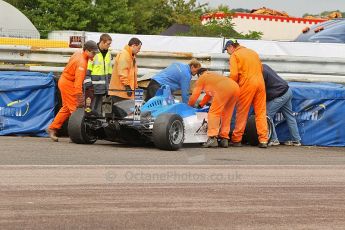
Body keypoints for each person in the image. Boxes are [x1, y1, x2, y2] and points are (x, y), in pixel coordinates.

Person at [46, 40, 99, 142]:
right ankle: (76, 134)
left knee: (66, 108)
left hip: (64, 81)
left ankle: (52, 128)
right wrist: (79, 99)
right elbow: (78, 84)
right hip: (68, 84)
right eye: (93, 53)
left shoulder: (78, 53)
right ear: (87, 51)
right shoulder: (82, 63)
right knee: (76, 111)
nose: (94, 55)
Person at [224, 38, 268, 148]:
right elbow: (261, 69)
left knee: (242, 112)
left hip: (247, 84)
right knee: (261, 112)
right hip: (260, 83)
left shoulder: (235, 55)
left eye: (226, 50)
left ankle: (237, 139)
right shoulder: (253, 52)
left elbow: (234, 75)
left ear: (231, 47)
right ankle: (263, 140)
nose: (227, 52)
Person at [188, 68, 240, 148]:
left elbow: (195, 94)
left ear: (199, 75)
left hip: (224, 88)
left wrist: (189, 105)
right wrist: (201, 105)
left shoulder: (202, 77)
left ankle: (212, 138)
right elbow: (208, 95)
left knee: (213, 113)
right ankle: (224, 138)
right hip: (235, 87)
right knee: (226, 115)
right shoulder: (214, 76)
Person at [262, 64, 302, 146]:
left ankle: (273, 139)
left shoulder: (260, 72)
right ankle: (296, 140)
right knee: (289, 116)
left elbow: (260, 88)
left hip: (280, 94)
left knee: (267, 115)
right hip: (287, 90)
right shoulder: (264, 66)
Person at [83, 34, 112, 116]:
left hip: (106, 87)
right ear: (102, 42)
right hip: (94, 87)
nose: (109, 46)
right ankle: (92, 123)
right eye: (108, 44)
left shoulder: (109, 54)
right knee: (92, 108)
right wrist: (88, 85)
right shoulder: (93, 53)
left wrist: (109, 83)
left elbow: (109, 70)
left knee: (106, 109)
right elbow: (87, 71)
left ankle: (104, 122)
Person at [108, 37, 142, 102]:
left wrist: (135, 87)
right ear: (133, 46)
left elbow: (132, 75)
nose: (139, 50)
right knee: (122, 111)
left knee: (128, 110)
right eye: (138, 48)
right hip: (120, 92)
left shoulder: (131, 56)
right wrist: (127, 86)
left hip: (124, 92)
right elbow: (122, 72)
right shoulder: (124, 54)